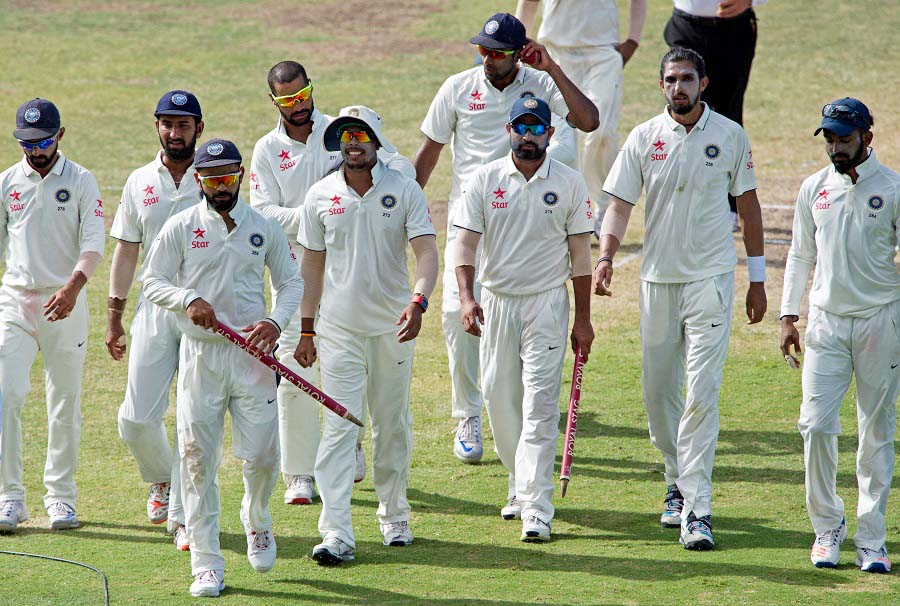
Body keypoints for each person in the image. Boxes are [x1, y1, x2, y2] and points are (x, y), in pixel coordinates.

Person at [593, 48, 766, 550]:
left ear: (704, 83)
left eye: (687, 79)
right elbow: (619, 203)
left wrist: (757, 281)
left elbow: (749, 206)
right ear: (662, 85)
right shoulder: (644, 137)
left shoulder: (729, 135)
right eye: (670, 79)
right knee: (657, 393)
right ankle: (675, 477)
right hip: (657, 282)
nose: (678, 88)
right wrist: (605, 257)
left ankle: (698, 508)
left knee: (701, 394)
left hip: (710, 280)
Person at [415, 12, 599, 464]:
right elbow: (428, 154)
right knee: (459, 318)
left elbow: (589, 120)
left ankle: (518, 415)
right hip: (470, 218)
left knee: (521, 323)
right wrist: (404, 210)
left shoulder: (539, 82)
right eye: (483, 50)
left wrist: (552, 67)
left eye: (498, 53)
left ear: (519, 54)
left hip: (525, 221)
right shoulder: (457, 88)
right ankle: (467, 415)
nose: (488, 59)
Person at [250, 61, 416, 503]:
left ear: (310, 89)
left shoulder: (342, 130)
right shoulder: (267, 149)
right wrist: (315, 213)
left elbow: (400, 170)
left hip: (349, 275)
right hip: (293, 275)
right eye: (287, 100)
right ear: (274, 102)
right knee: (296, 368)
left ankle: (354, 446)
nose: (298, 106)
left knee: (351, 371)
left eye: (302, 95)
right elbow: (262, 211)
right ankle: (300, 474)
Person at [142, 139, 301, 597]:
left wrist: (275, 321)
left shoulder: (264, 227)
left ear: (241, 175)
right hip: (201, 357)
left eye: (228, 176)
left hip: (253, 356)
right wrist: (187, 299)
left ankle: (256, 516)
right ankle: (207, 562)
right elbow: (152, 280)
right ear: (199, 180)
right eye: (211, 178)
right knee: (196, 460)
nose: (221, 186)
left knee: (263, 456)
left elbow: (291, 282)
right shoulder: (180, 227)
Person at [294, 107, 438, 565]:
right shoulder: (319, 196)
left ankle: (394, 514)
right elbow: (311, 266)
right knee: (339, 428)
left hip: (393, 329)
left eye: (361, 134)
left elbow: (427, 252)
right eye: (344, 136)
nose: (353, 143)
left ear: (376, 141)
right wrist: (307, 328)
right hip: (338, 332)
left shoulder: (404, 188)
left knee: (391, 423)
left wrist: (418, 301)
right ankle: (336, 531)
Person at [454, 97, 594, 541]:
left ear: (551, 134)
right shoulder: (485, 179)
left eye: (537, 128)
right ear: (508, 130)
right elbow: (463, 245)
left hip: (547, 302)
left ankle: (537, 505)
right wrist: (466, 297)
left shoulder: (570, 183)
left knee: (538, 405)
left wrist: (583, 320)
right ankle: (518, 482)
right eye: (521, 128)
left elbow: (580, 256)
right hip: (496, 301)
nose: (528, 136)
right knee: (498, 396)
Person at [781, 98, 899, 573]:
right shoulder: (814, 188)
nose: (834, 148)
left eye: (843, 139)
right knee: (814, 426)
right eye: (829, 138)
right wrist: (788, 316)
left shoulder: (892, 188)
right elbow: (798, 256)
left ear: (866, 138)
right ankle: (827, 527)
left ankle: (872, 537)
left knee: (876, 430)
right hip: (825, 323)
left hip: (879, 320)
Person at [0, 98, 106, 532]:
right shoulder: (7, 181)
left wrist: (71, 289)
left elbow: (94, 244)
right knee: (6, 396)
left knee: (63, 401)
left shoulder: (81, 181)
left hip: (66, 301)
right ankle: (10, 498)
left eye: (42, 142)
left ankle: (61, 497)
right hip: (17, 302)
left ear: (59, 135)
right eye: (27, 144)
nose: (35, 151)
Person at [106, 90, 204, 550]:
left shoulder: (214, 177)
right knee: (135, 419)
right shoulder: (139, 180)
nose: (175, 132)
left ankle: (183, 516)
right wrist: (114, 315)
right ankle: (162, 479)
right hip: (154, 309)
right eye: (168, 124)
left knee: (190, 418)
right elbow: (126, 249)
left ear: (198, 129)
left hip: (205, 315)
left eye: (184, 125)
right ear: (157, 126)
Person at [516, 0, 648, 233]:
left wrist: (633, 40)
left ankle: (604, 206)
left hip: (603, 52)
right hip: (555, 51)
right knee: (561, 141)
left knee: (602, 132)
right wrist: (519, 43)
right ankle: (563, 206)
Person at [663, 0, 766, 229]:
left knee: (727, 117)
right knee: (686, 114)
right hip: (686, 28)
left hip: (734, 29)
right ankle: (684, 198)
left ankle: (728, 204)